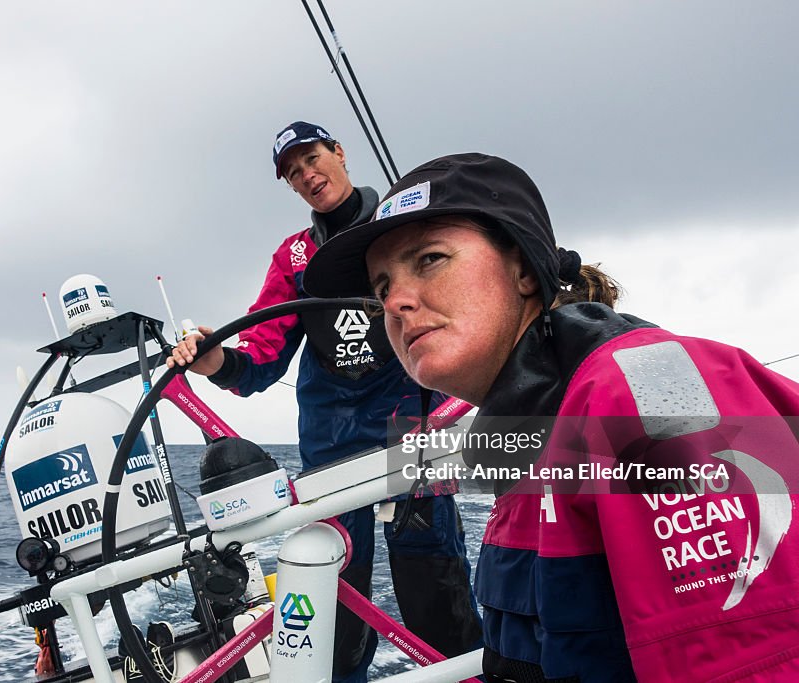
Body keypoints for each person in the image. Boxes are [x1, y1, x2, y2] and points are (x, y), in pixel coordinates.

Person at [301, 152, 799, 682]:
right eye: (380, 291)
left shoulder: (641, 397)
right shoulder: (531, 433)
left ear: (523, 270)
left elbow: (755, 659)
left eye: (429, 259)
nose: (396, 302)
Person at [167, 123, 482, 682]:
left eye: (312, 158)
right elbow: (258, 362)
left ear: (339, 153)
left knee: (435, 583)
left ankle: (463, 675)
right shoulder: (292, 257)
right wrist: (211, 357)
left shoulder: (403, 220)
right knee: (333, 593)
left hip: (414, 432)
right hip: (331, 444)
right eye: (293, 172)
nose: (307, 174)